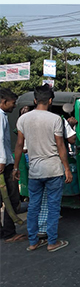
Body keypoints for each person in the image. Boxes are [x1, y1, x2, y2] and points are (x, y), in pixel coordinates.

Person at [13, 84, 72, 251]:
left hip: (34, 171)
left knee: (33, 206)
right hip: (53, 169)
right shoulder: (55, 119)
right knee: (53, 207)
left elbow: (19, 145)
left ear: (34, 100)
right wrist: (67, 168)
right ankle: (52, 242)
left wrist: (16, 168)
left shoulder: (23, 119)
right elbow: (60, 146)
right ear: (50, 100)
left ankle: (33, 242)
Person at [0, 88, 27, 243]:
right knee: (11, 198)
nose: (14, 106)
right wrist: (2, 161)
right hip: (4, 163)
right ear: (4, 102)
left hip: (4, 161)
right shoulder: (1, 116)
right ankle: (10, 233)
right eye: (12, 103)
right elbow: (0, 140)